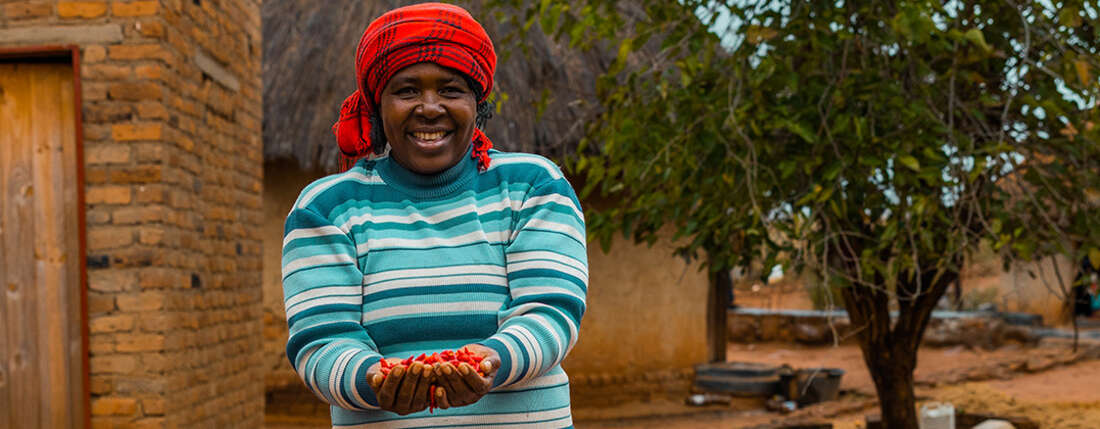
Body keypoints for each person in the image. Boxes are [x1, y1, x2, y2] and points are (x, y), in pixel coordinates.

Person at [281, 3, 587, 427]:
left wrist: (491, 360)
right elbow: (322, 341)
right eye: (407, 90)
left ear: (477, 103)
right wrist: (373, 379)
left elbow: (551, 312)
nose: (429, 107)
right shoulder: (327, 207)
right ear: (377, 104)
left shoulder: (531, 185)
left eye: (450, 90)